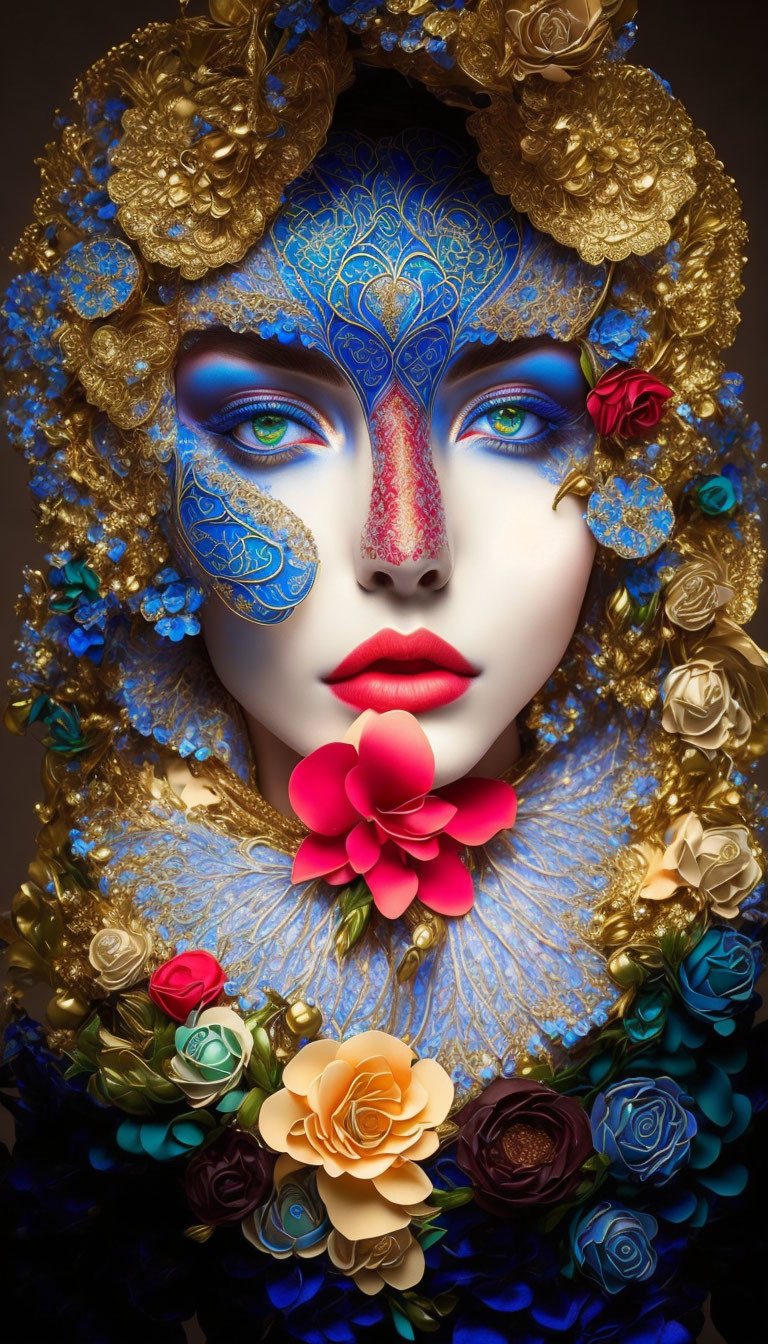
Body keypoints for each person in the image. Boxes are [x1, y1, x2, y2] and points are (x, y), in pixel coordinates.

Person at [2, 3, 766, 1338]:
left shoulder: (716, 970)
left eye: (514, 418)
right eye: (273, 425)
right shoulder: (84, 999)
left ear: (633, 475)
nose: (404, 547)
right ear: (132, 491)